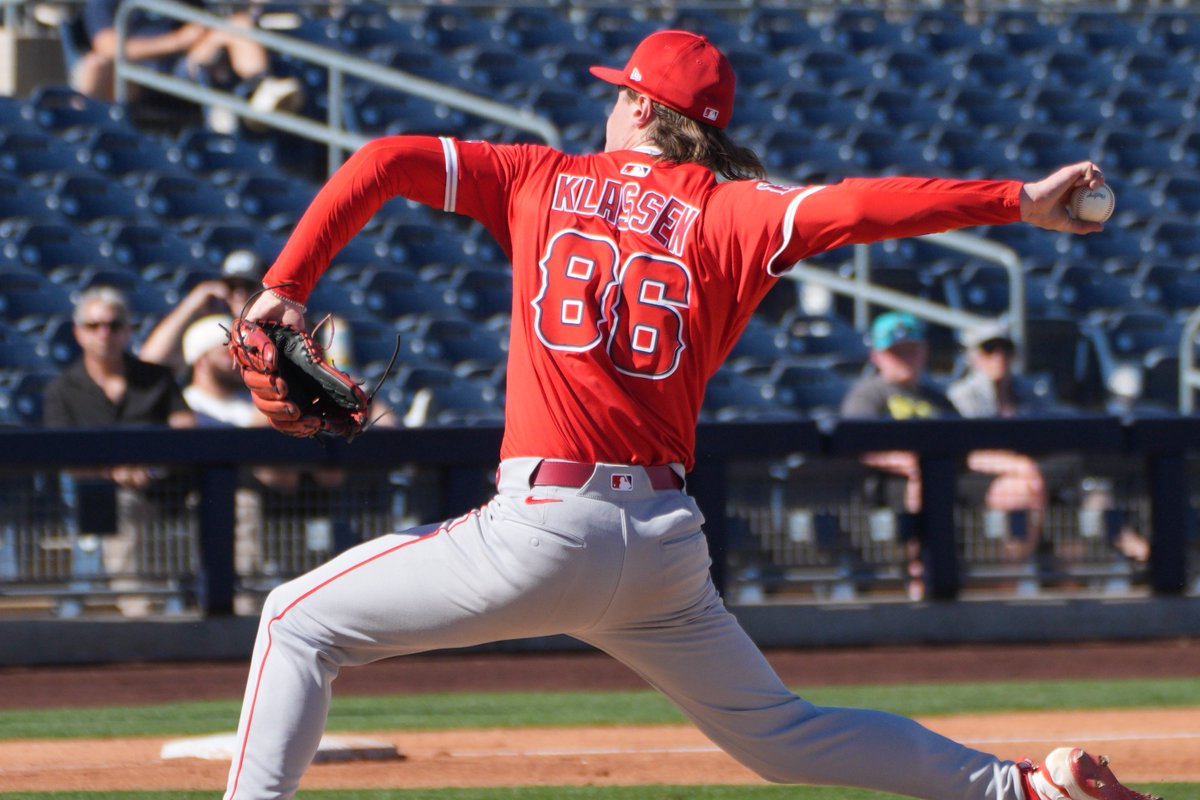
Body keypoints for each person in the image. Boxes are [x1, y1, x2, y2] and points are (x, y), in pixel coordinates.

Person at [222, 30, 1150, 800]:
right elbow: (865, 206)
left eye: (617, 91)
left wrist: (286, 289)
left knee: (295, 621)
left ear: (638, 106)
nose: (609, 101)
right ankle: (1022, 791)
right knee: (785, 739)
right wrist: (1015, 201)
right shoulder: (734, 213)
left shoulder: (537, 177)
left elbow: (383, 160)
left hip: (543, 526)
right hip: (662, 542)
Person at [841, 312, 1049, 597]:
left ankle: (1006, 581)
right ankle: (919, 577)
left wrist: (1016, 466)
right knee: (921, 486)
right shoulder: (868, 394)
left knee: (1020, 488)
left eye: (911, 350)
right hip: (891, 483)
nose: (905, 358)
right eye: (896, 352)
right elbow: (859, 446)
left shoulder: (936, 397)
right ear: (877, 355)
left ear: (924, 352)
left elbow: (964, 447)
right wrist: (909, 462)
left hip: (947, 476)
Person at [43, 286, 195, 615]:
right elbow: (62, 456)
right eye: (93, 326)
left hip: (170, 490)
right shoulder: (61, 390)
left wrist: (152, 468)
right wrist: (113, 472)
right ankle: (140, 614)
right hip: (100, 497)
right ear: (78, 333)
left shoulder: (155, 378)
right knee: (122, 505)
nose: (104, 334)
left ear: (127, 330)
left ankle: (226, 606)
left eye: (113, 325)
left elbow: (186, 430)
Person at [948, 323, 1150, 564]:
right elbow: (970, 453)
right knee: (1035, 481)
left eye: (1006, 349)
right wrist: (1020, 466)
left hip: (1037, 467)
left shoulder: (1029, 390)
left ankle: (1121, 542)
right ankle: (1117, 539)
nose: (999, 357)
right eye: (989, 350)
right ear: (974, 356)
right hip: (986, 473)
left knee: (1085, 471)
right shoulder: (961, 395)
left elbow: (1053, 429)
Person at [72, 0, 302, 127]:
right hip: (134, 77)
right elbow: (107, 46)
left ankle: (259, 90)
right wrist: (177, 41)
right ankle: (81, 130)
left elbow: (207, 23)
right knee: (94, 65)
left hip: (184, 67)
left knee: (238, 24)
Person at [140, 249, 265, 374]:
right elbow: (152, 361)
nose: (240, 294)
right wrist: (194, 302)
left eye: (249, 286)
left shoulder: (277, 328)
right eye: (231, 286)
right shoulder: (215, 329)